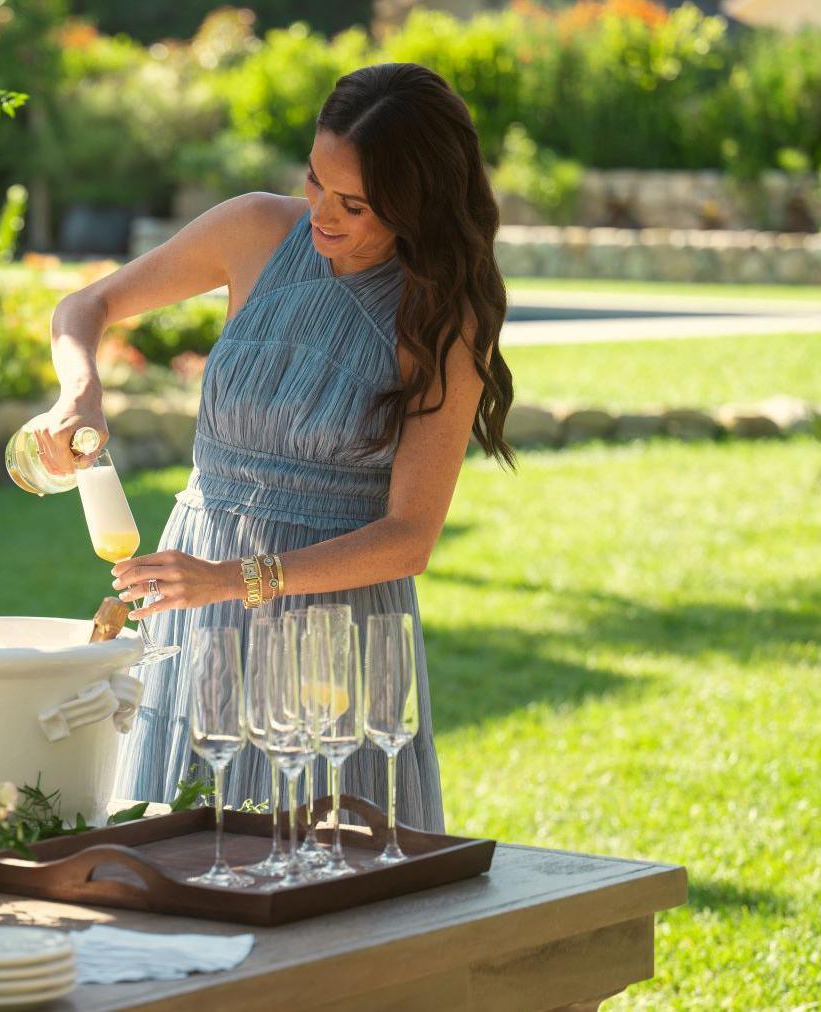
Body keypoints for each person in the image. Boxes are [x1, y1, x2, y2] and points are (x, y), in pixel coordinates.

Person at [33, 63, 515, 829]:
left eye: (354, 204)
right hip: (196, 596)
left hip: (331, 631)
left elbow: (408, 539)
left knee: (325, 887)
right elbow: (85, 305)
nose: (322, 212)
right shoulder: (255, 232)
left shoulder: (439, 319)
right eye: (317, 182)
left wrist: (237, 579)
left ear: (416, 203)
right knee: (174, 856)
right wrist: (79, 391)